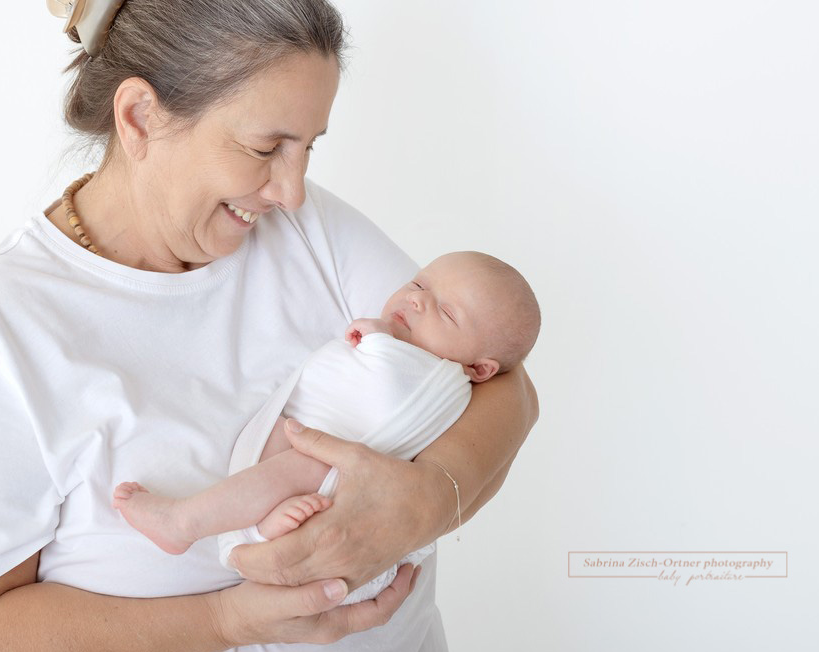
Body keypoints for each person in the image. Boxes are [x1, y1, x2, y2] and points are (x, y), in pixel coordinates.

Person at [0, 0, 539, 652]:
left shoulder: (304, 225)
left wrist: (424, 500)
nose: (292, 190)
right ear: (138, 119)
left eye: (309, 149)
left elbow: (502, 379)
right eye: (267, 148)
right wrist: (228, 619)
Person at [111, 251, 541, 607]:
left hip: (349, 496)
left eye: (445, 312)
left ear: (477, 368)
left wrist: (377, 337)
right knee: (284, 440)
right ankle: (264, 526)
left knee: (301, 463)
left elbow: (514, 393)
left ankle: (184, 522)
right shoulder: (437, 346)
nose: (416, 302)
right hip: (324, 517)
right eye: (417, 284)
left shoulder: (436, 374)